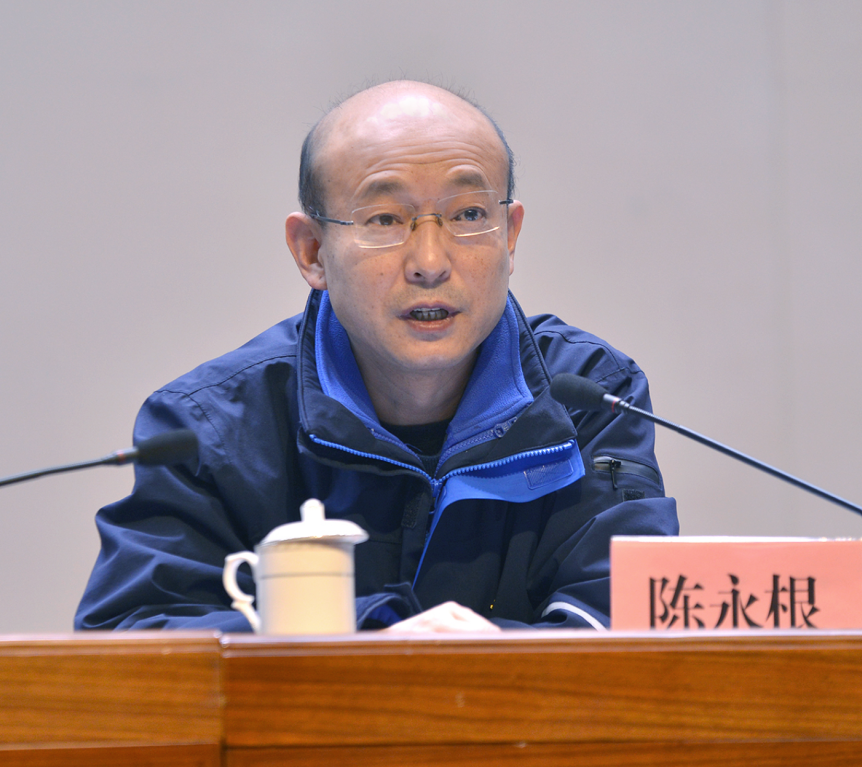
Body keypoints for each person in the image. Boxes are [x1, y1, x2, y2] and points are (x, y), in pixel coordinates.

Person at [75, 80, 678, 634]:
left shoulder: (591, 397)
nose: (430, 263)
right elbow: (129, 643)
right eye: (386, 219)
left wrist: (474, 662)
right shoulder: (211, 427)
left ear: (510, 235)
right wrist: (367, 644)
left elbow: (629, 628)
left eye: (469, 215)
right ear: (311, 251)